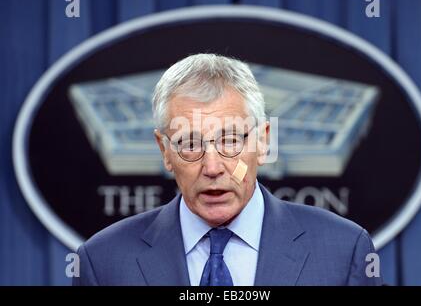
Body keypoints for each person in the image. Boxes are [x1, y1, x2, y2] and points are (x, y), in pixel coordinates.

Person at [73, 54, 382, 286]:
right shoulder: (103, 262)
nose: (212, 167)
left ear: (263, 141)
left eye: (231, 141)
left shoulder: (344, 252)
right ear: (165, 151)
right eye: (190, 144)